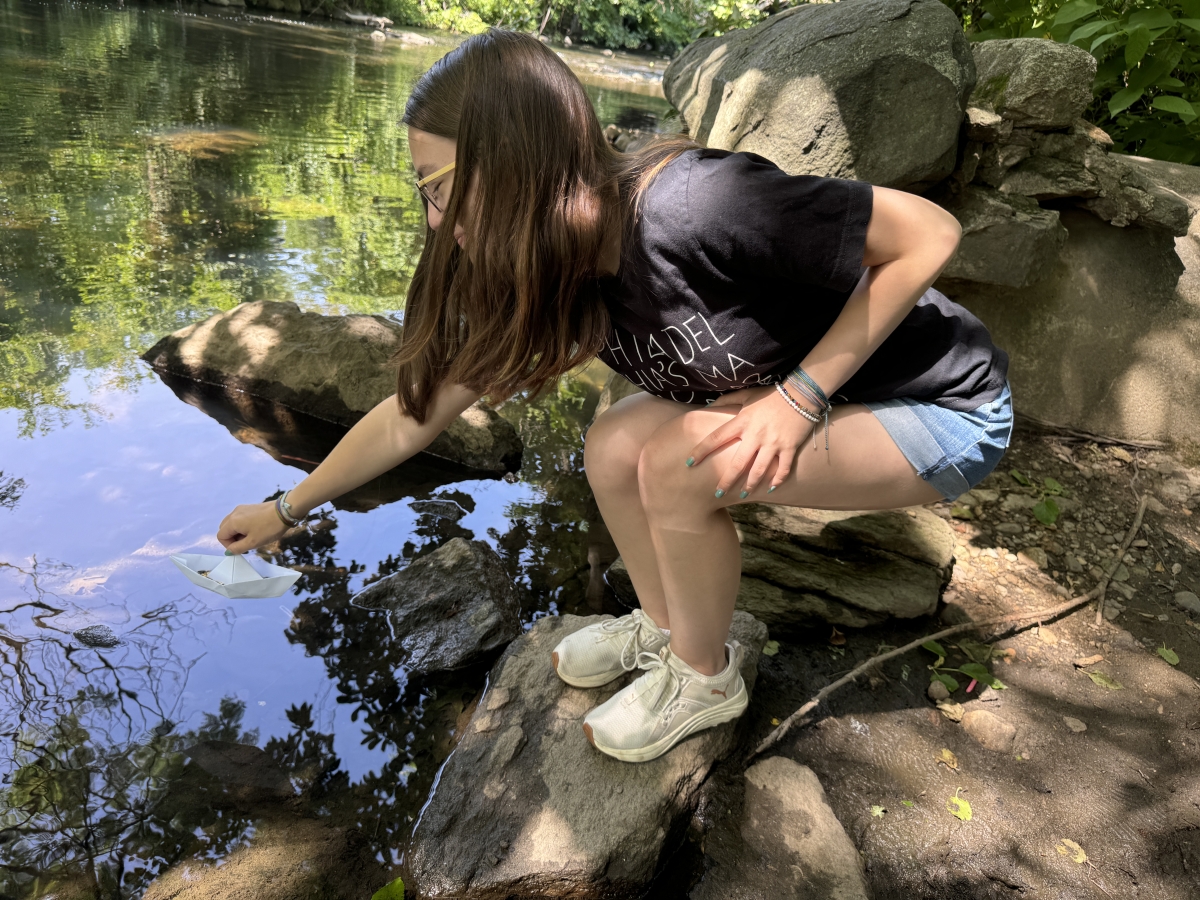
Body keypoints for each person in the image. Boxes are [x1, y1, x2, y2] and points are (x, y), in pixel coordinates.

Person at [217, 30, 1011, 764]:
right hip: (819, 395)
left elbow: (929, 233)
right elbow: (414, 415)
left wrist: (797, 398)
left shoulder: (694, 208)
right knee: (611, 442)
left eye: (440, 186)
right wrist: (287, 508)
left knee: (677, 464)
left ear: (519, 159)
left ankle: (704, 679)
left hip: (939, 407)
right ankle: (666, 631)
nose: (435, 220)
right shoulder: (549, 267)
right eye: (423, 188)